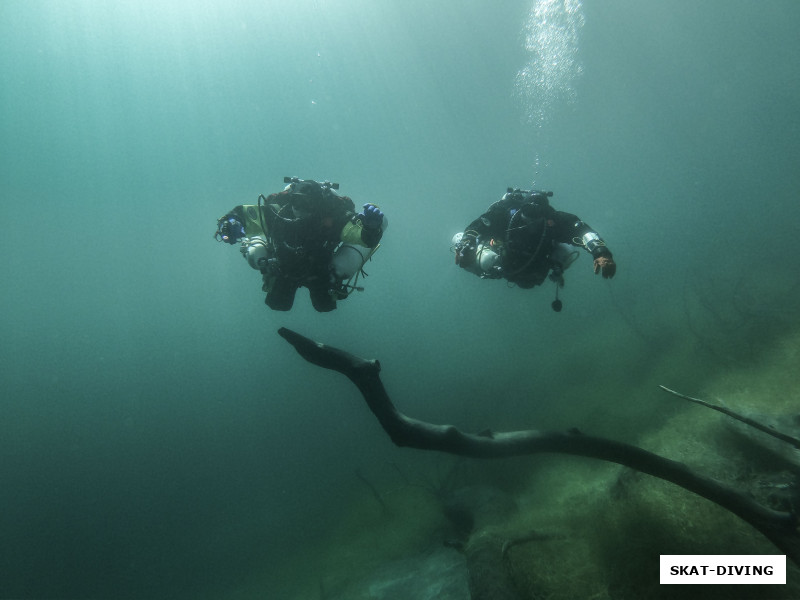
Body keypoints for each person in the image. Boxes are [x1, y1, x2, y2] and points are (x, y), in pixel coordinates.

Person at [215, 176, 386, 312]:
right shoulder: (278, 213)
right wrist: (231, 222)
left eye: (306, 203)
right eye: (296, 201)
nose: (299, 208)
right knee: (277, 305)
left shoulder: (335, 218)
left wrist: (371, 229)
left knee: (324, 307)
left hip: (321, 271)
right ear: (291, 200)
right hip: (283, 267)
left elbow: (360, 237)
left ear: (318, 204)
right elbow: (246, 215)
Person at [451, 187, 616, 311]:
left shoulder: (555, 221)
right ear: (521, 208)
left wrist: (601, 253)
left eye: (538, 213)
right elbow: (478, 225)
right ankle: (469, 252)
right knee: (482, 257)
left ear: (546, 213)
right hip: (503, 264)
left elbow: (582, 231)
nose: (531, 218)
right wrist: (466, 245)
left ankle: (558, 267)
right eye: (528, 212)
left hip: (539, 269)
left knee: (565, 250)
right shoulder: (504, 216)